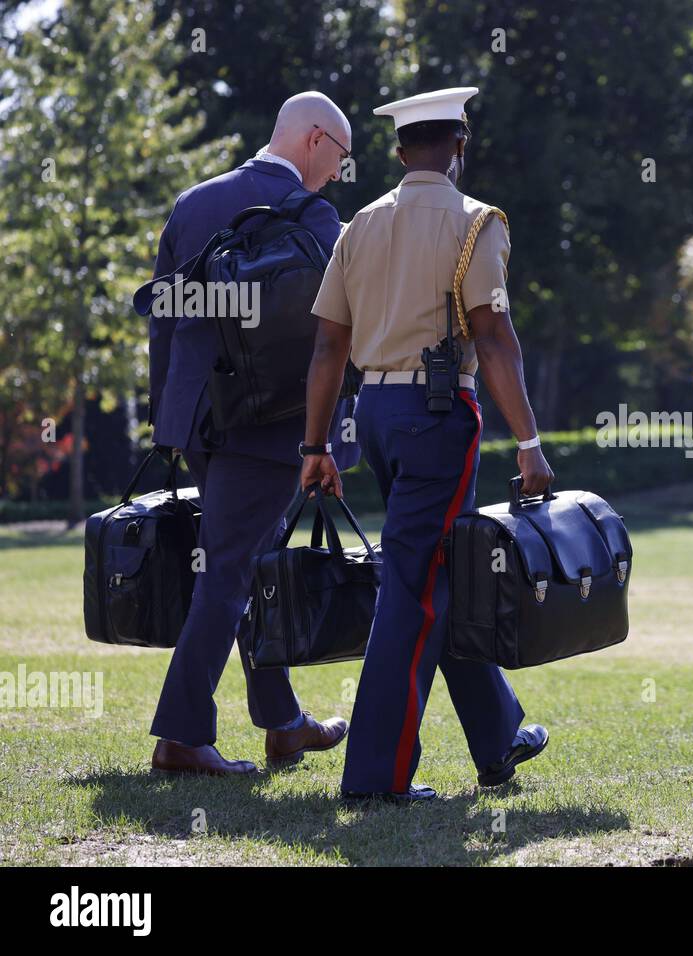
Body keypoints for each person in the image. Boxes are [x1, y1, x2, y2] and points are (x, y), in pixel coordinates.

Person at [300, 86, 553, 803]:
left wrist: (314, 445)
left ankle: (498, 735)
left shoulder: (362, 224)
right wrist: (529, 443)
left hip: (373, 411)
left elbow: (327, 344)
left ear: (401, 150)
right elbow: (495, 337)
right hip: (438, 414)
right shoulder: (476, 223)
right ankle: (377, 780)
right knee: (412, 588)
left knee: (434, 572)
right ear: (460, 147)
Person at [145, 92, 358, 776]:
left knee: (244, 563)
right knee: (232, 571)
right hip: (268, 428)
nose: (339, 171)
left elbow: (164, 320)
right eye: (343, 156)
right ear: (315, 139)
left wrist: (167, 418)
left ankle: (283, 723)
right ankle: (181, 736)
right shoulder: (316, 217)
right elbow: (337, 332)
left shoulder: (193, 201)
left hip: (200, 421)